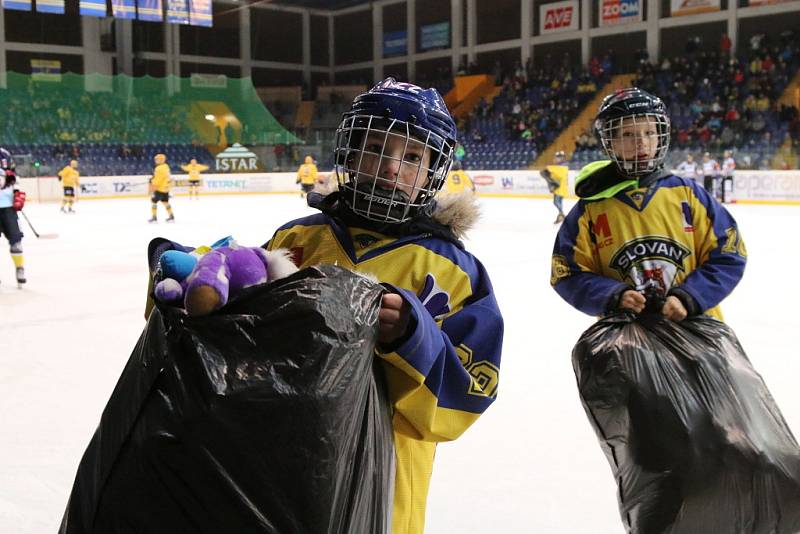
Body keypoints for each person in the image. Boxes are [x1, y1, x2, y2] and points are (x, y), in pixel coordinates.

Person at [170, 78, 504, 534]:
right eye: (375, 149)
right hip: (279, 470)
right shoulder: (298, 238)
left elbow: (464, 400)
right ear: (349, 152)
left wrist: (413, 337)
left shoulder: (456, 271)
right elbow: (240, 328)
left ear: (433, 171)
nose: (390, 169)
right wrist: (191, 274)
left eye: (411, 158)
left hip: (385, 488)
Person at [551, 88, 747, 322]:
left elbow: (729, 253)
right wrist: (612, 295)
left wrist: (690, 296)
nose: (641, 142)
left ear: (661, 135)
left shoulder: (689, 194)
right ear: (609, 143)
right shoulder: (591, 209)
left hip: (695, 329)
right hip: (627, 338)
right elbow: (565, 272)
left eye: (649, 132)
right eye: (627, 134)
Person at [0, 148, 25, 287]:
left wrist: (17, 193)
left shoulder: (5, 154)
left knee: (16, 242)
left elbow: (15, 177)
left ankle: (19, 268)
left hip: (8, 207)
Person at [540, 150, 569, 224]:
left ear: (562, 158)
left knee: (556, 202)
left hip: (560, 188)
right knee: (558, 202)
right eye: (556, 157)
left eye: (559, 157)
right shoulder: (560, 166)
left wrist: (550, 172)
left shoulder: (563, 166)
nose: (556, 159)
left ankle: (561, 214)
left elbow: (558, 175)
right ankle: (560, 215)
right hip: (560, 187)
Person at [148, 153, 174, 223]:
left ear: (161, 160)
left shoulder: (158, 168)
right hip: (166, 188)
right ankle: (171, 217)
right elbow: (164, 177)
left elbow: (157, 181)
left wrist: (152, 181)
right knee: (165, 202)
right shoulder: (166, 166)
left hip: (160, 189)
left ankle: (154, 218)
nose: (156, 161)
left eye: (157, 159)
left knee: (154, 202)